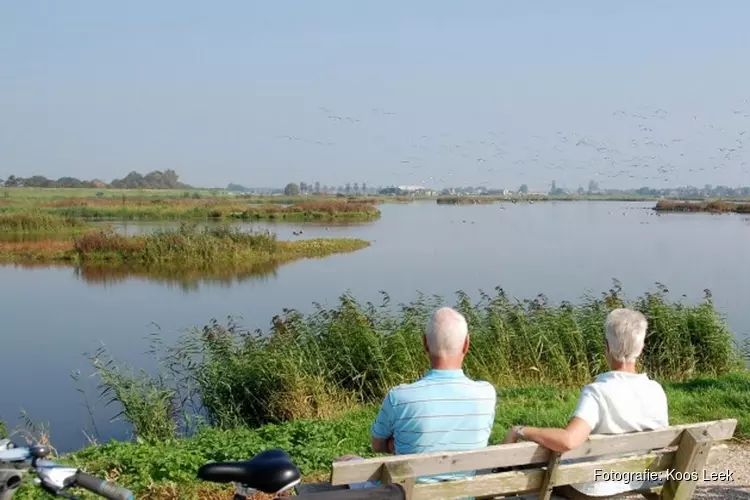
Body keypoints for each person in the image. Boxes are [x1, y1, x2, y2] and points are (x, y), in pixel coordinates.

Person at [504, 308, 668, 499]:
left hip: (593, 488)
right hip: (635, 479)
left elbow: (568, 440)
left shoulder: (597, 392)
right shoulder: (655, 389)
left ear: (606, 347)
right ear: (641, 347)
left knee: (529, 471)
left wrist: (521, 430)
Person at [338, 307, 496, 490]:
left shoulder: (400, 397)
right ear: (466, 344)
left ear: (425, 344)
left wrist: (393, 445)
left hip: (407, 494)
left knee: (346, 461)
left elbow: (376, 445)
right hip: (462, 494)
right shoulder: (486, 394)